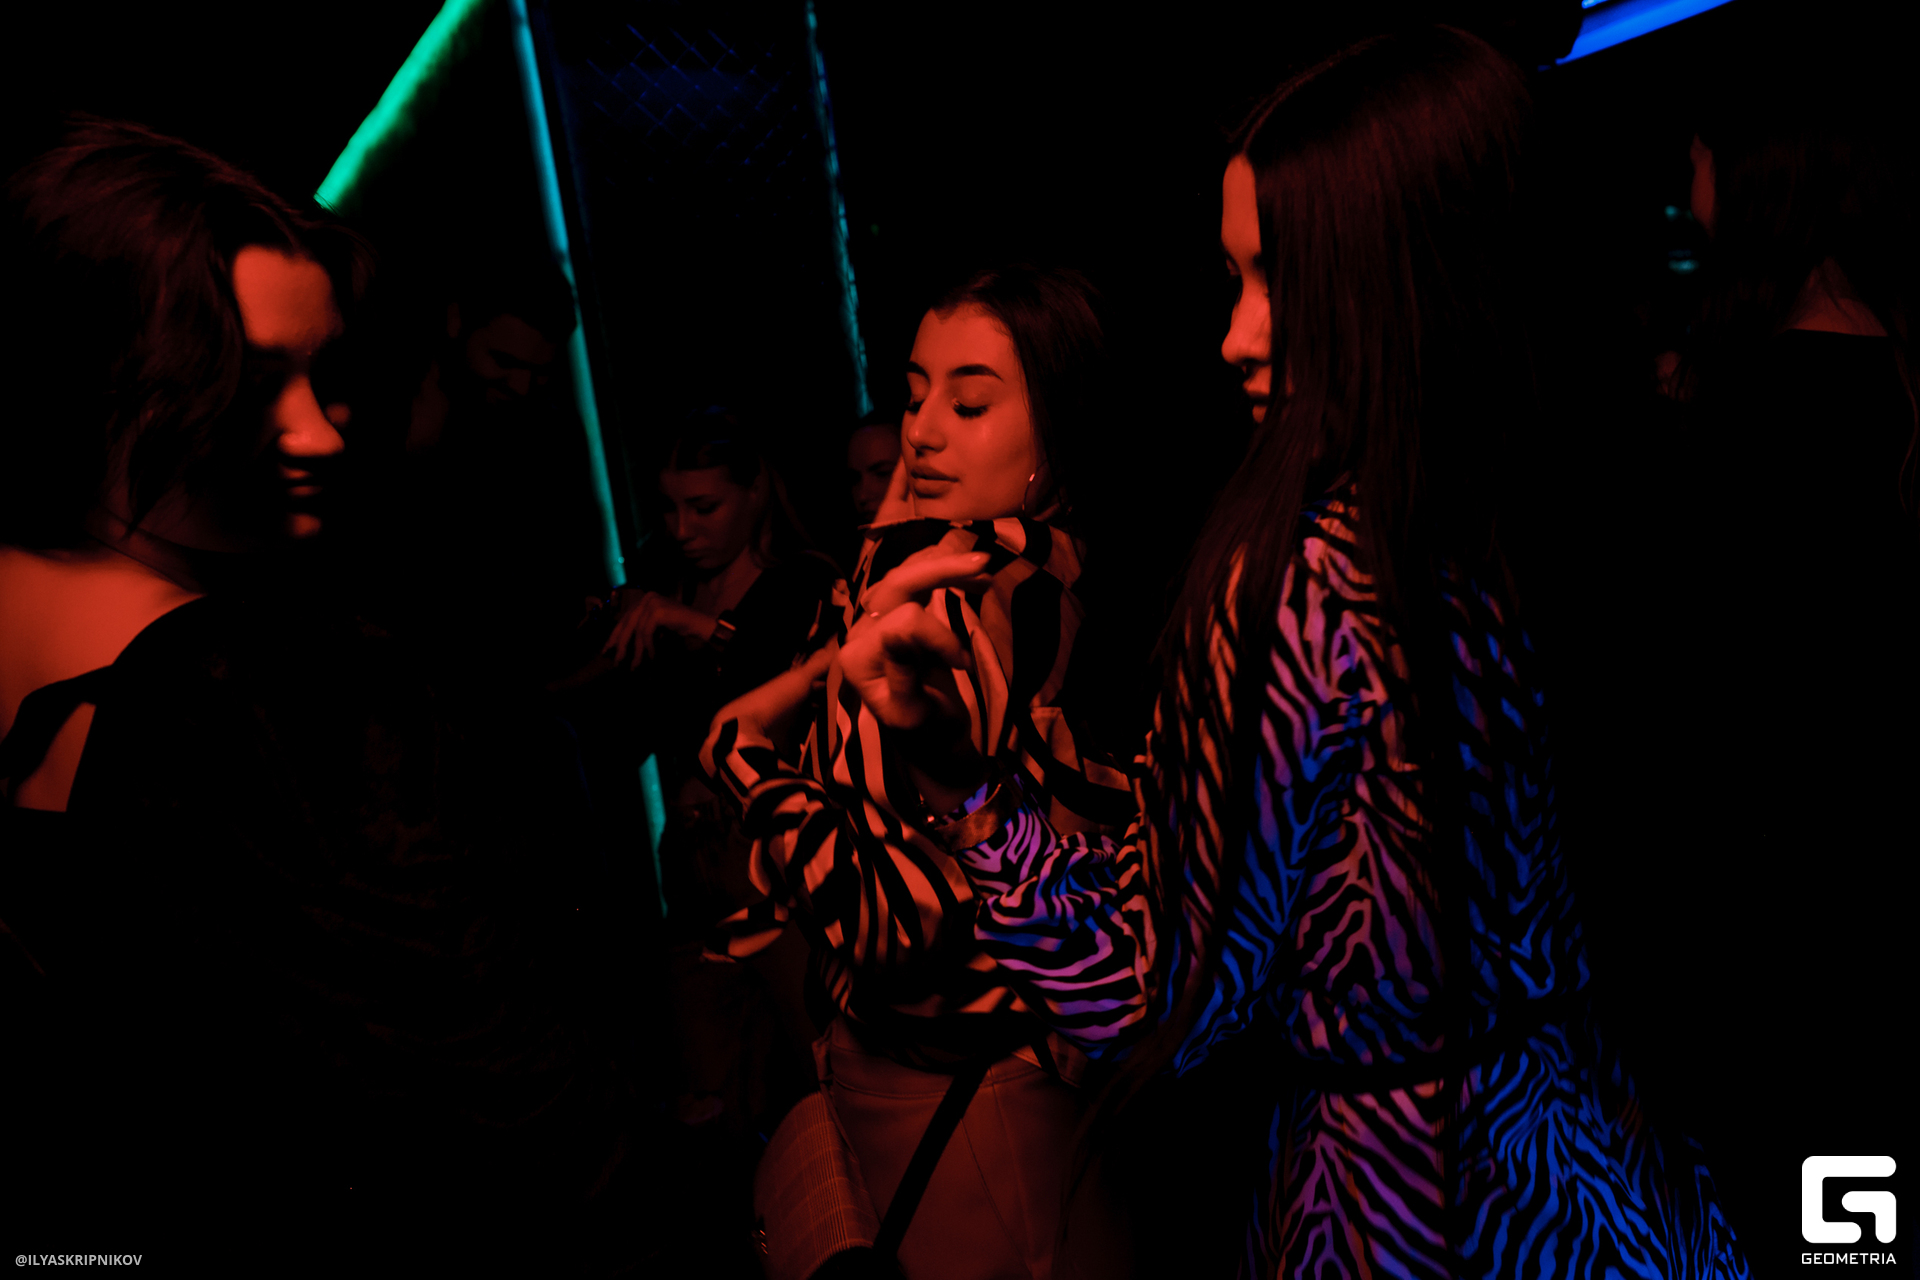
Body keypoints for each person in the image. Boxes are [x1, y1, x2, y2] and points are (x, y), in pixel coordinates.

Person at [839, 31, 1751, 1278]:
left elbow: (1153, 1000)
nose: (1235, 335)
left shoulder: (1308, 573)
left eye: (1281, 278)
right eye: (1233, 279)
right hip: (1594, 1154)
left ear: (1403, 274)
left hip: (1410, 1195)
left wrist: (972, 793)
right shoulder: (1574, 488)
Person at [0, 119, 638, 1266]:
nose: (319, 431)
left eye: (323, 374)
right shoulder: (277, 692)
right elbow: (524, 1137)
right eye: (253, 384)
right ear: (110, 377)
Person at [700, 265, 1135, 1280]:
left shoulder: (963, 606)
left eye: (970, 404)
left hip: (973, 1109)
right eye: (913, 394)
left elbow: (897, 922)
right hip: (985, 1089)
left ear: (1060, 424)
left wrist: (743, 761)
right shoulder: (1009, 579)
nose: (924, 433)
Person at [580, 408, 842, 1138]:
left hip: (774, 856)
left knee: (821, 1065)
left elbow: (796, 685)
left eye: (703, 507)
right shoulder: (666, 589)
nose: (682, 528)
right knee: (713, 1097)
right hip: (694, 859)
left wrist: (692, 627)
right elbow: (628, 730)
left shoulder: (801, 583)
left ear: (755, 492)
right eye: (669, 509)